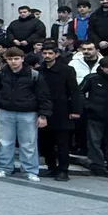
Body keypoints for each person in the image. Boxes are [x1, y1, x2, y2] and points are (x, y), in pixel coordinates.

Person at [0, 47, 52, 182]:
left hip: (28, 113)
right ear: (6, 60)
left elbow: (43, 96)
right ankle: (4, 168)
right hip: (5, 111)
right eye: (10, 59)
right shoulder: (1, 74)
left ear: (22, 59)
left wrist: (43, 115)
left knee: (28, 143)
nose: (13, 62)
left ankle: (30, 171)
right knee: (4, 142)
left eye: (16, 59)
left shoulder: (33, 74)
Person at [37, 42, 82, 181]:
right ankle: (51, 167)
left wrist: (75, 110)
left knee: (62, 143)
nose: (47, 56)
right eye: (44, 53)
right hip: (44, 110)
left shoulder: (67, 70)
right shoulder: (40, 70)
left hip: (62, 110)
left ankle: (63, 170)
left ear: (56, 54)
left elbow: (74, 91)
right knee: (46, 142)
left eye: (50, 53)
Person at [82, 57, 108, 178]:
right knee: (94, 142)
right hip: (94, 114)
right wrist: (88, 106)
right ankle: (97, 165)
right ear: (102, 67)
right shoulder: (92, 78)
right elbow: (79, 92)